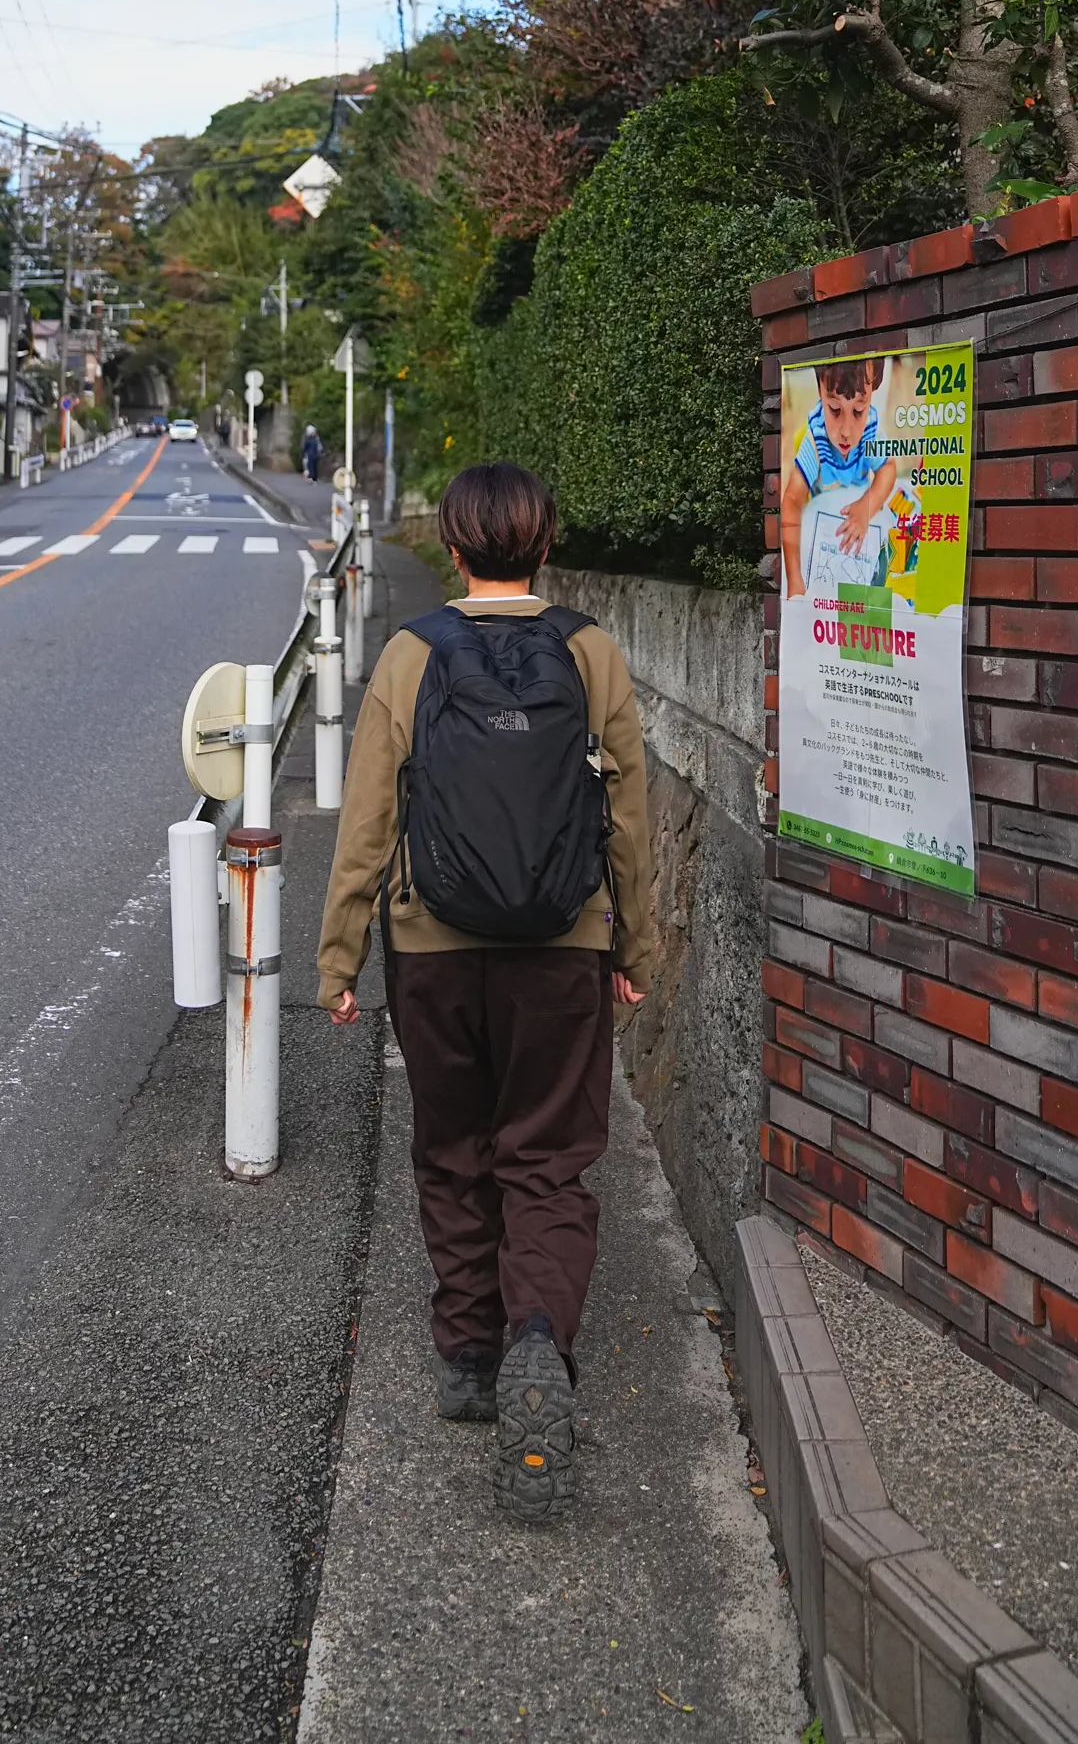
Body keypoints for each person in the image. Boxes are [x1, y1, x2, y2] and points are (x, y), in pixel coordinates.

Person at [317, 459, 654, 1525]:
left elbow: (368, 824)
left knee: (453, 1148)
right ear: (544, 547)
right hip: (565, 946)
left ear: (454, 551)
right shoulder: (591, 652)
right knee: (549, 1159)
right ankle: (538, 1342)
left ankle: (467, 1357)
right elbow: (630, 825)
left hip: (432, 945)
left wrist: (339, 959)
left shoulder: (412, 656)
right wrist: (631, 944)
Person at [781, 355, 897, 599]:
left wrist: (868, 505)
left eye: (858, 411)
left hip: (858, 533)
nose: (846, 432)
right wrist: (794, 580)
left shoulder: (871, 431)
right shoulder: (816, 438)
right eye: (834, 410)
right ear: (820, 393)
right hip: (821, 531)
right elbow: (791, 500)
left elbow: (888, 468)